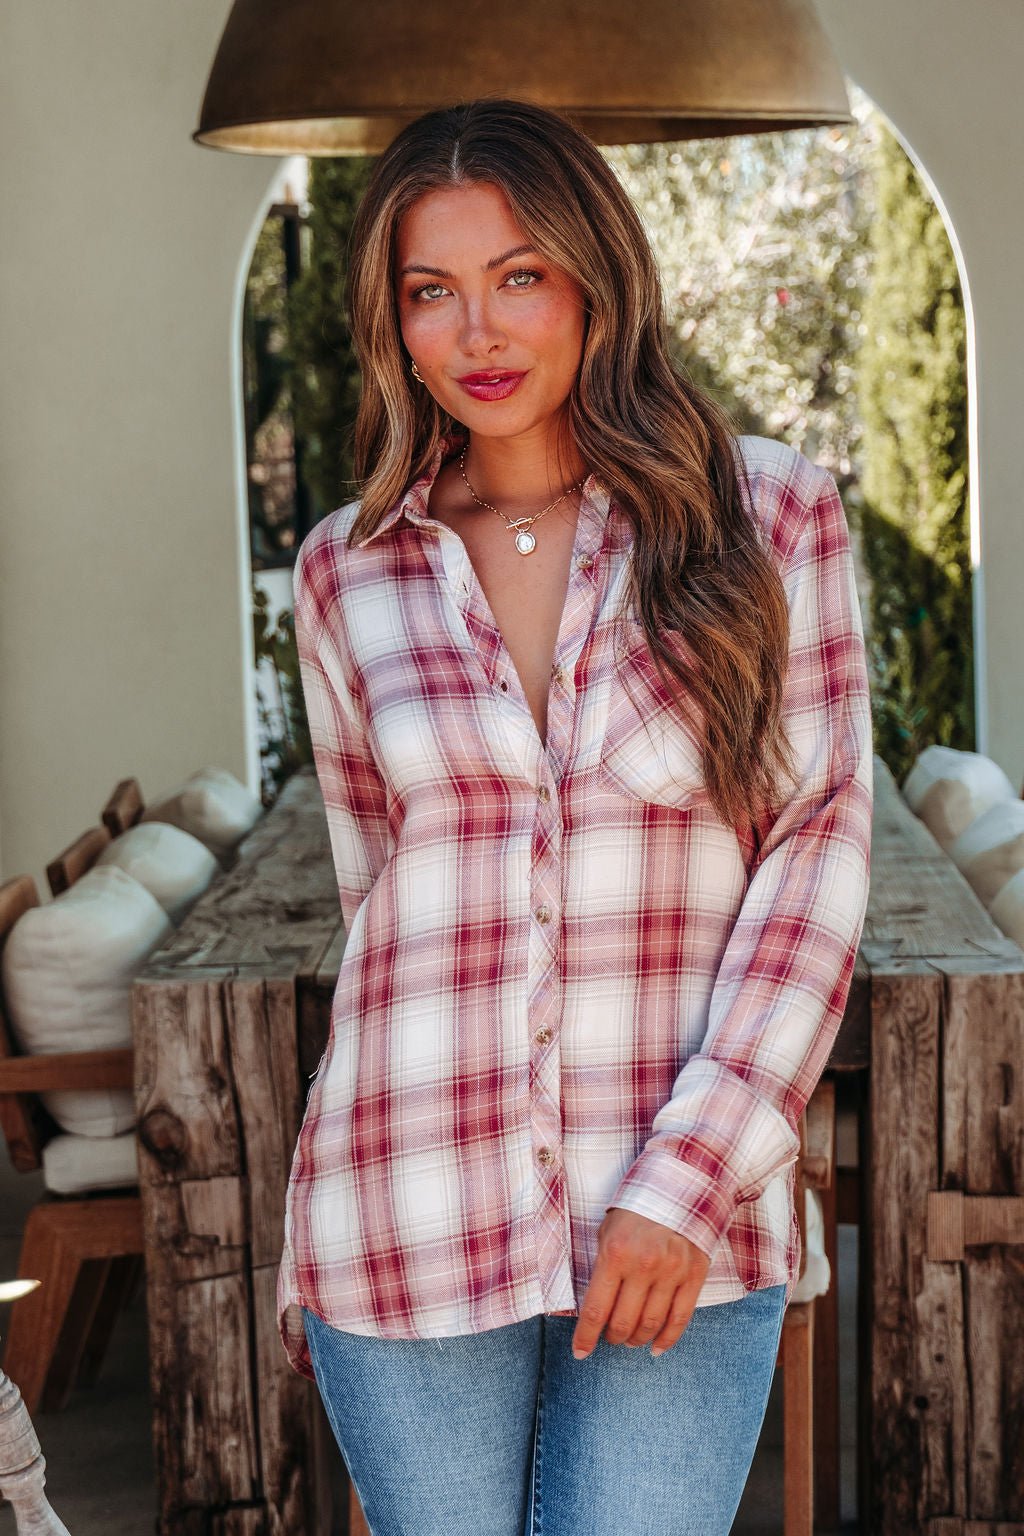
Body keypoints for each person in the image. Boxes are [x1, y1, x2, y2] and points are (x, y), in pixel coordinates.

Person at [276, 96, 873, 1536]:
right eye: (433, 291)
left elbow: (816, 861)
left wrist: (692, 1178)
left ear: (599, 279)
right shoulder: (346, 572)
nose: (477, 331)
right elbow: (380, 897)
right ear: (393, 318)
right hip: (406, 1208)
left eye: (519, 276)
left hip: (684, 1222)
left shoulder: (768, 521)